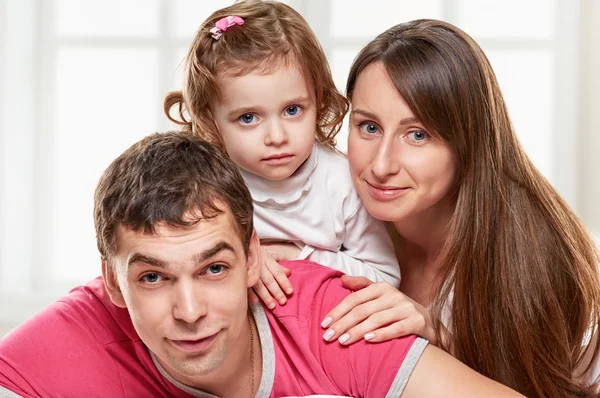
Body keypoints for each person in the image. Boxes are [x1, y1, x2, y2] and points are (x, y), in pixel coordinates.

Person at [0, 131, 522, 397]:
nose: (189, 311)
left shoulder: (334, 317)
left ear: (254, 258)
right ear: (112, 281)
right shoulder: (66, 341)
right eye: (154, 277)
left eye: (213, 269)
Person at [316, 19, 600, 397]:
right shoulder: (332, 215)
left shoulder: (535, 260)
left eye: (417, 135)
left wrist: (439, 337)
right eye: (368, 127)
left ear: (468, 140)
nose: (381, 165)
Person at [164, 0, 400, 311]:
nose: (277, 137)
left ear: (318, 101)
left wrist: (301, 257)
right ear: (211, 121)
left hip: (321, 327)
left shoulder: (340, 181)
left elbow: (385, 278)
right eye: (249, 118)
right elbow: (175, 262)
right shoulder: (204, 184)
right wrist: (243, 264)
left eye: (292, 110)